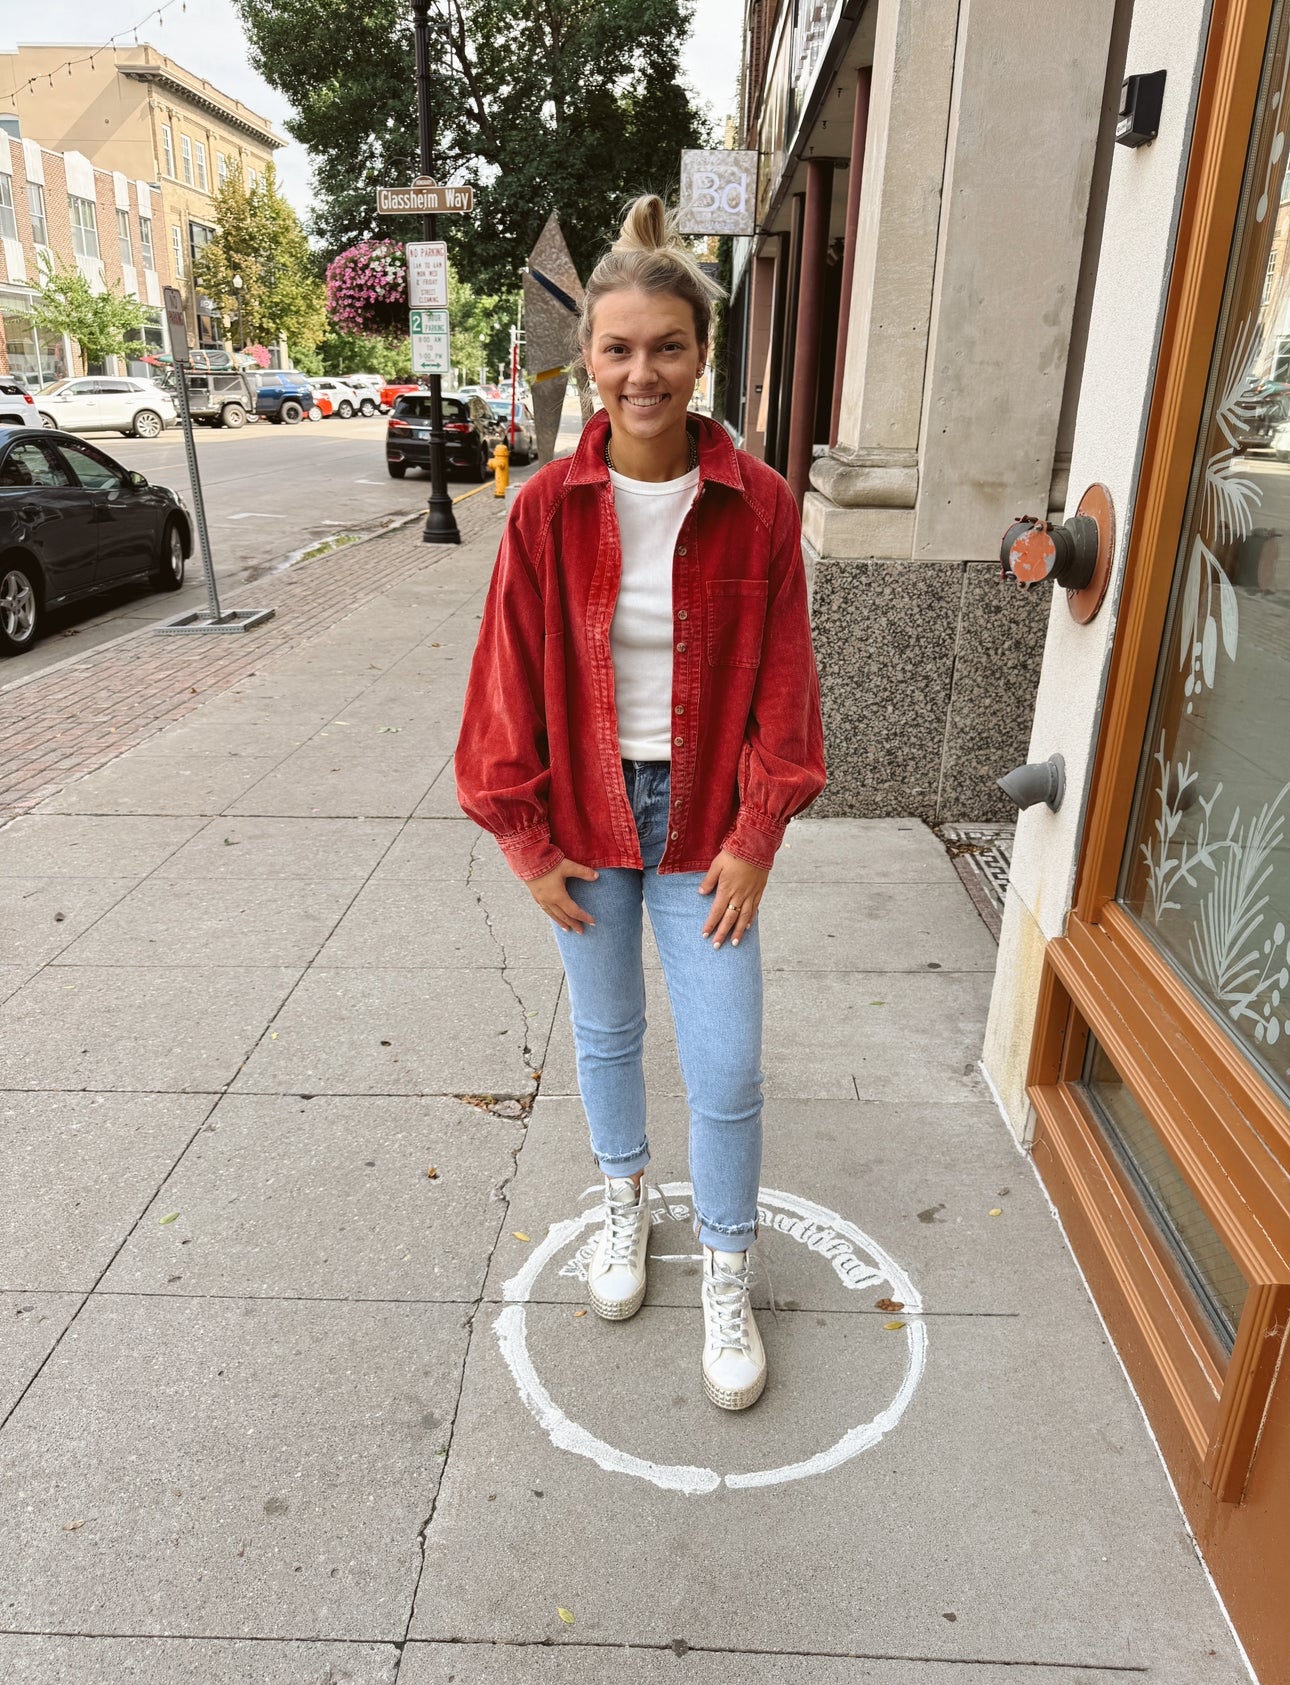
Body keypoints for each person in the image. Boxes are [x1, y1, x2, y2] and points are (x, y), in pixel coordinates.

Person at [455, 195, 825, 1410]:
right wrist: (520, 836)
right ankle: (625, 1203)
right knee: (606, 1033)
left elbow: (785, 685)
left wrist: (757, 837)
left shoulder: (759, 502)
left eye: (666, 344)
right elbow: (507, 675)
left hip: (704, 825)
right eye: (617, 348)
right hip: (585, 821)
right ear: (589, 359)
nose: (641, 370)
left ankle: (726, 1260)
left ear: (701, 355)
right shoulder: (545, 508)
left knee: (726, 1064)